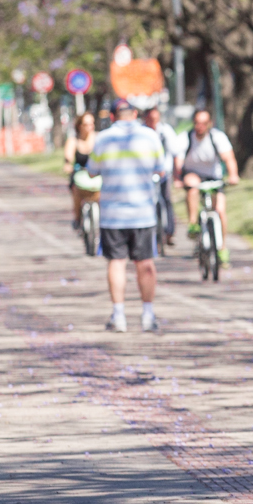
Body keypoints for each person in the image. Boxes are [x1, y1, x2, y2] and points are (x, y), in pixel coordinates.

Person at [87, 97, 167, 332]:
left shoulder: (103, 139)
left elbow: (92, 172)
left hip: (113, 214)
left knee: (117, 263)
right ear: (134, 114)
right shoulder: (150, 136)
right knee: (145, 263)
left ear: (112, 116)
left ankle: (119, 315)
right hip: (143, 212)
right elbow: (161, 169)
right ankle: (147, 314)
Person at [178, 107, 240, 264]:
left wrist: (233, 175)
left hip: (213, 177)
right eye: (197, 123)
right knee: (191, 185)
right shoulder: (186, 138)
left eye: (204, 123)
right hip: (193, 174)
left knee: (219, 210)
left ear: (209, 123)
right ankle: (193, 223)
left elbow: (229, 158)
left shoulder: (217, 137)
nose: (200, 126)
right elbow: (178, 162)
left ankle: (222, 247)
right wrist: (178, 178)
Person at [142, 106, 185, 247]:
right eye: (150, 118)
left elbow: (175, 152)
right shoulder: (141, 132)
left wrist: (177, 176)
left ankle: (169, 232)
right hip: (145, 174)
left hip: (163, 173)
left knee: (166, 200)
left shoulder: (165, 131)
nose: (153, 122)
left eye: (156, 118)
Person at [63, 111, 99, 229]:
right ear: (79, 126)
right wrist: (68, 164)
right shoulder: (74, 141)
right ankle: (77, 218)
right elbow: (68, 157)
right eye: (86, 124)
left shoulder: (99, 139)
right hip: (80, 175)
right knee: (76, 191)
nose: (90, 127)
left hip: (97, 175)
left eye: (91, 123)